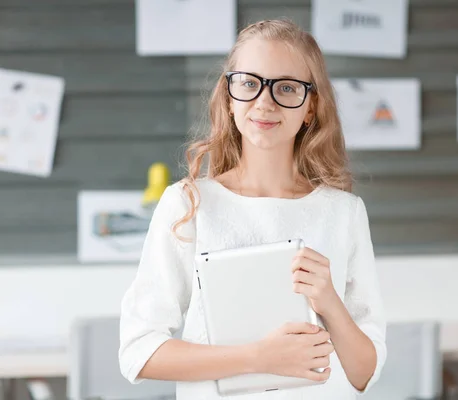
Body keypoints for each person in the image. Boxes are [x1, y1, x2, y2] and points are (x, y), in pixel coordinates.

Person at [119, 19, 387, 399]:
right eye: (249, 83)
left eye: (287, 88)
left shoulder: (344, 212)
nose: (265, 101)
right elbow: (138, 351)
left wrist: (330, 303)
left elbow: (364, 374)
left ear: (310, 107)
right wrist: (259, 357)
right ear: (229, 98)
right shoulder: (189, 204)